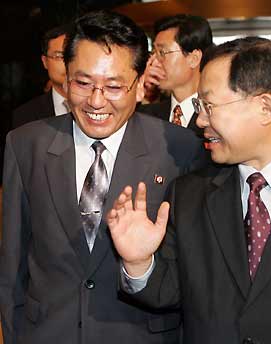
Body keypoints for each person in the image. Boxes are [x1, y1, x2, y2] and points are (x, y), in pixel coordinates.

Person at [108, 37, 271, 344]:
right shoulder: (189, 195)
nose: (200, 120)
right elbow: (169, 291)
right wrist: (139, 263)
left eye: (208, 106)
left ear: (264, 108)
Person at [0, 10, 208, 344]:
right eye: (83, 83)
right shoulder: (25, 145)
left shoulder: (180, 150)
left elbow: (193, 274)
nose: (96, 101)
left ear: (139, 85)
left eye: (113, 86)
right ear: (65, 79)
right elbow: (12, 269)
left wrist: (142, 264)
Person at [138, 14, 213, 136]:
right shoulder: (147, 114)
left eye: (162, 52)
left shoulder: (213, 116)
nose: (154, 62)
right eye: (153, 53)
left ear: (193, 58)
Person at [12, 24, 70, 129]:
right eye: (59, 56)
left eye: (72, 56)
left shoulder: (101, 106)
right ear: (45, 62)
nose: (67, 63)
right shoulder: (25, 115)